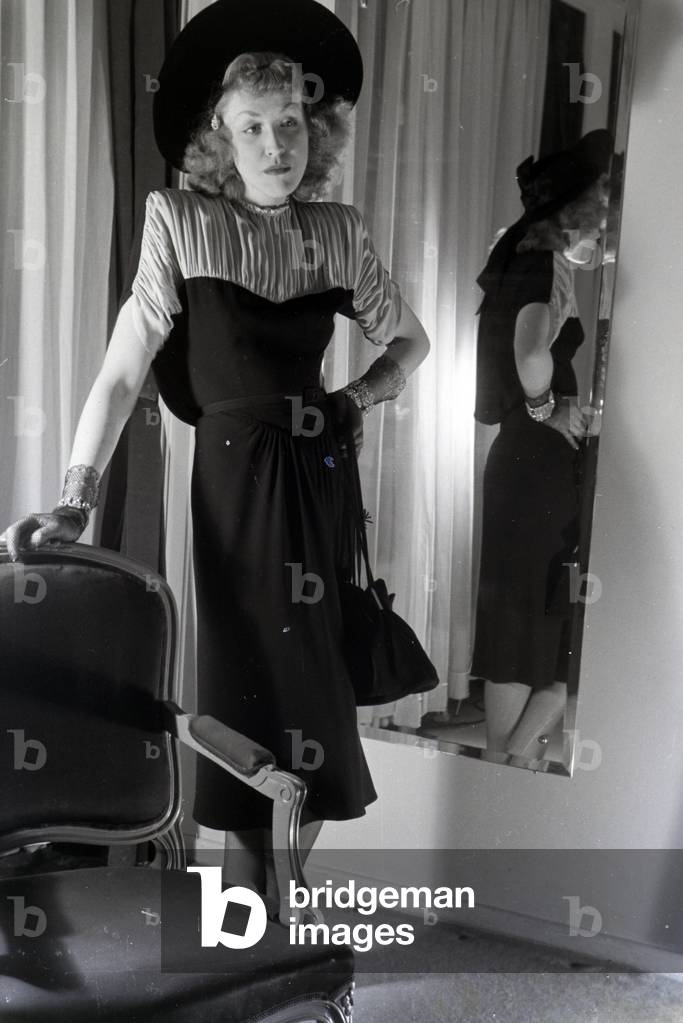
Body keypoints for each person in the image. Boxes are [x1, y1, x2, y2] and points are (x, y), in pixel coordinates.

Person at [1, 0, 430, 907]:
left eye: (291, 124)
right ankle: (251, 919)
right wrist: (76, 496)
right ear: (219, 138)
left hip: (318, 479)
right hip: (234, 490)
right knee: (249, 699)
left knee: (316, 700)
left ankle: (269, 911)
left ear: (315, 130)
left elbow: (411, 342)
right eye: (252, 127)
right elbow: (122, 374)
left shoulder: (340, 230)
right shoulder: (178, 218)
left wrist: (352, 400)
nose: (276, 145)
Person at [471, 129, 612, 767]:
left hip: (522, 464)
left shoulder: (523, 252)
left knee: (522, 629)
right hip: (538, 465)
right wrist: (547, 407)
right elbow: (529, 352)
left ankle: (507, 766)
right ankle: (508, 765)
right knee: (535, 629)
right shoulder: (542, 261)